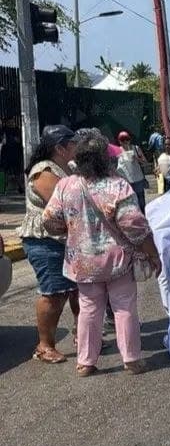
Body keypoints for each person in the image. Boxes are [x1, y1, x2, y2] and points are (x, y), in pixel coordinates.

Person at [42, 136, 161, 376]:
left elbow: (49, 219)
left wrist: (72, 230)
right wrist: (153, 254)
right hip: (118, 261)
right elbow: (133, 224)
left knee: (88, 310)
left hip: (84, 263)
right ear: (106, 158)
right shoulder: (117, 185)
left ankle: (86, 362)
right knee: (124, 307)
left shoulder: (66, 185)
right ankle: (131, 360)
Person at [18, 125, 80, 364]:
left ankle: (82, 334)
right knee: (54, 292)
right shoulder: (43, 171)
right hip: (45, 241)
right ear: (60, 148)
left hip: (66, 238)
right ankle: (44, 346)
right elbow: (61, 204)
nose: (76, 147)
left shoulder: (69, 166)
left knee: (77, 290)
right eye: (72, 143)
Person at [115, 131, 148, 211]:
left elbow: (145, 162)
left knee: (141, 202)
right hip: (126, 181)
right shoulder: (117, 151)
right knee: (131, 204)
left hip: (138, 179)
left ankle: (143, 218)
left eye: (127, 139)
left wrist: (137, 158)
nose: (126, 142)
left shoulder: (136, 148)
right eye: (123, 140)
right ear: (119, 141)